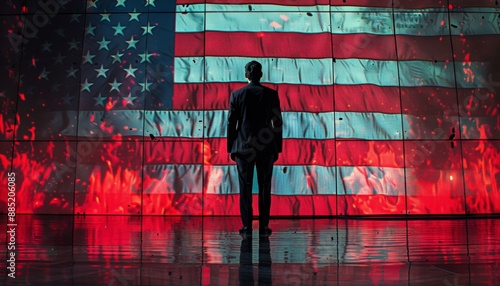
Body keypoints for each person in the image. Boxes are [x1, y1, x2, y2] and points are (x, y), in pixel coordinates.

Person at [227, 60, 283, 236]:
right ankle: (264, 226)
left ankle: (247, 226)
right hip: (266, 148)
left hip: (243, 148)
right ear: (261, 75)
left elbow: (231, 123)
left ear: (246, 75)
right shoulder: (271, 95)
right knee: (265, 187)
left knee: (245, 187)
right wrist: (277, 148)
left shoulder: (237, 95)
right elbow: (277, 123)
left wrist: (231, 148)